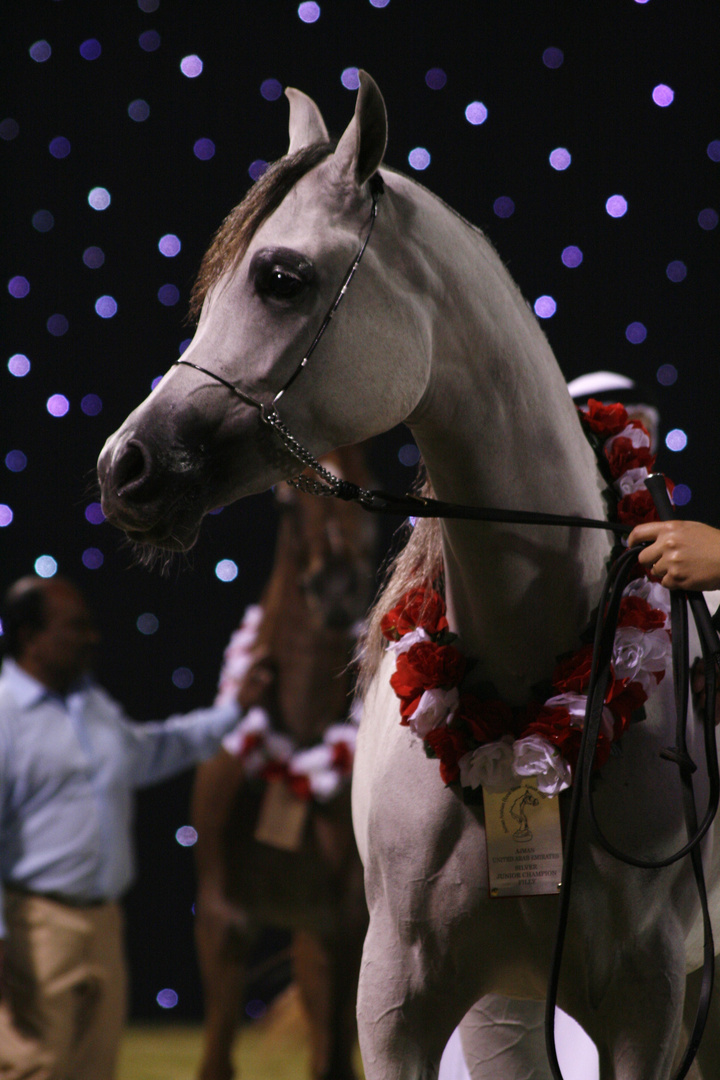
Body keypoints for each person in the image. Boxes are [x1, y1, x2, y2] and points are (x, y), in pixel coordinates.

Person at [0, 574, 262, 1080]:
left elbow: (148, 752)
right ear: (31, 638)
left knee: (94, 1070)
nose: (91, 637)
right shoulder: (5, 715)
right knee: (34, 1069)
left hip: (104, 924)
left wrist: (235, 713)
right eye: (74, 627)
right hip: (35, 923)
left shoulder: (87, 703)